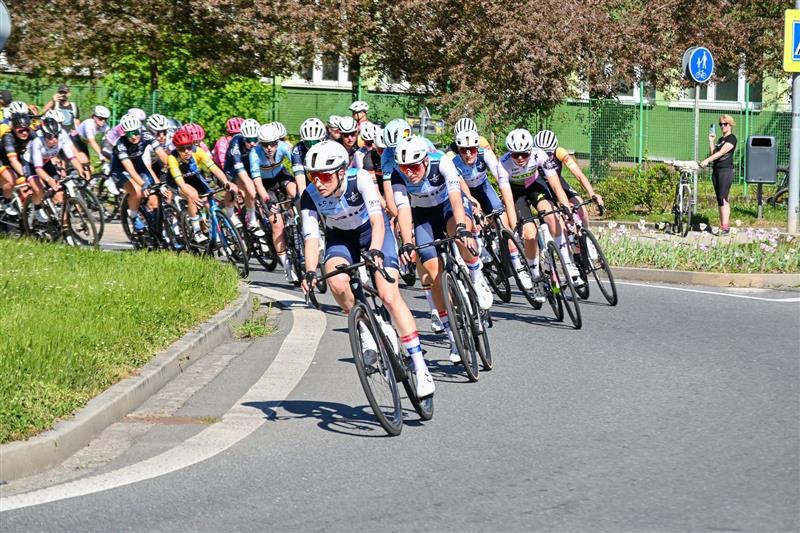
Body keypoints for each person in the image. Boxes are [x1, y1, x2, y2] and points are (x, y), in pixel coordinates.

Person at [299, 140, 435, 398]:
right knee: (337, 282)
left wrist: (374, 251)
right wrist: (309, 271)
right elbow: (311, 238)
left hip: (373, 233)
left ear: (341, 172)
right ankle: (364, 328)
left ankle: (420, 366)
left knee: (388, 295)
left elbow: (377, 221)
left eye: (324, 176)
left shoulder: (359, 178)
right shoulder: (309, 195)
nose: (318, 182)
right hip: (341, 238)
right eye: (312, 175)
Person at [700, 115, 737, 235]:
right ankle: (722, 226)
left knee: (723, 197)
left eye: (725, 124)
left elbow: (721, 153)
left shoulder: (732, 138)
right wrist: (711, 141)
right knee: (719, 199)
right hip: (716, 170)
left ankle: (725, 227)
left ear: (730, 125)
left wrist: (707, 160)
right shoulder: (721, 139)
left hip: (725, 170)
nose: (722, 126)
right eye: (721, 124)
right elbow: (714, 154)